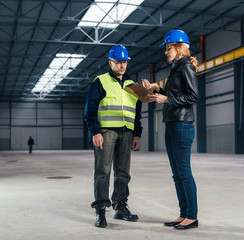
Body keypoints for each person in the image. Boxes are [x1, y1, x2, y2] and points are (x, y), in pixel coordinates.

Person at [142, 29, 199, 230]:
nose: (166, 52)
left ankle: (192, 216)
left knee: (184, 173)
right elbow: (176, 94)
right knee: (176, 174)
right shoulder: (176, 68)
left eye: (168, 48)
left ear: (178, 47)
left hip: (182, 126)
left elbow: (193, 96)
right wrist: (159, 90)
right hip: (172, 124)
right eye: (166, 49)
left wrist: (167, 98)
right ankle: (183, 214)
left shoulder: (186, 67)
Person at [84, 44, 143, 228]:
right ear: (111, 63)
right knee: (103, 171)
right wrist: (95, 131)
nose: (122, 65)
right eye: (118, 62)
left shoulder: (133, 85)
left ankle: (120, 206)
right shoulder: (100, 81)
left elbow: (138, 111)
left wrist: (137, 134)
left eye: (124, 62)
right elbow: (90, 109)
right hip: (106, 132)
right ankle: (101, 210)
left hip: (127, 133)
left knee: (123, 171)